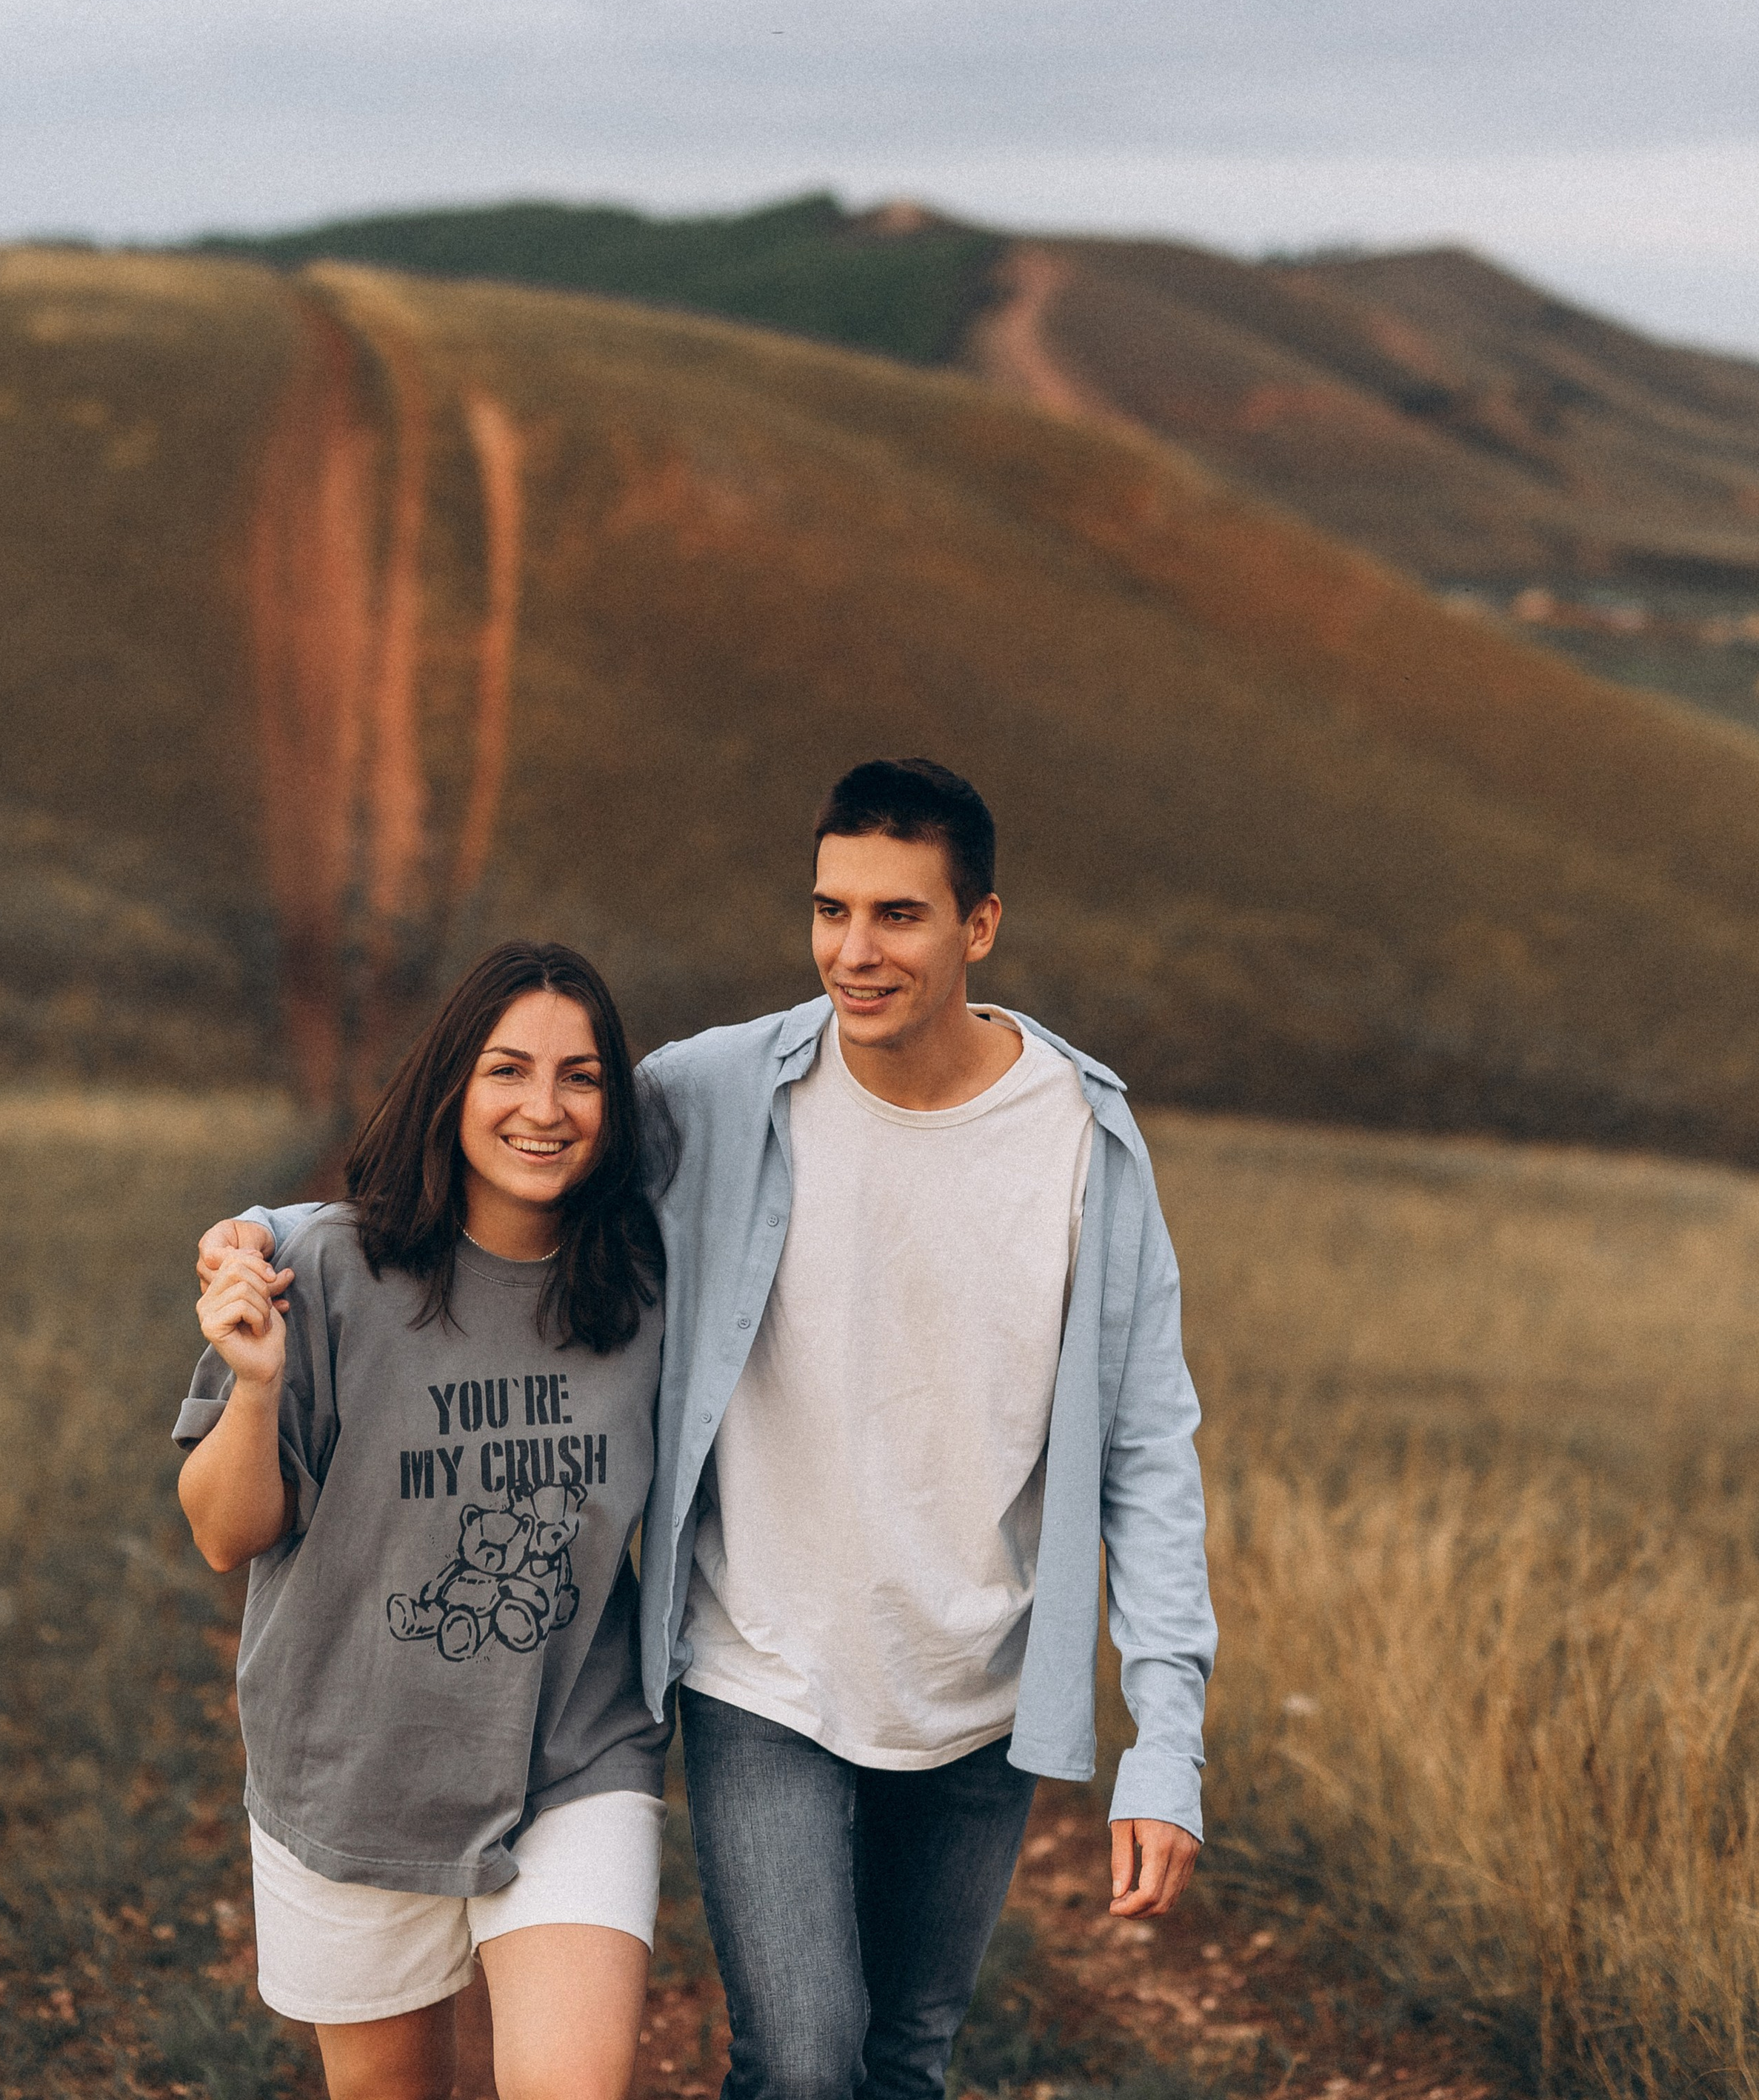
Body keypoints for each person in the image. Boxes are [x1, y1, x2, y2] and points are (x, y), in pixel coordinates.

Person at [204, 758, 1215, 2100]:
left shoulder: (1084, 1139)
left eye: (898, 916)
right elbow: (516, 1143)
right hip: (764, 1668)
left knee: (904, 2058)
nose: (855, 953)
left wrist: (1168, 1736)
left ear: (979, 926)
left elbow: (1147, 1444)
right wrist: (268, 1235)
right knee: (801, 2060)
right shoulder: (729, 1091)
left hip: (977, 1679)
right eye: (830, 909)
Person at [176, 941, 671, 2100]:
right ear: (453, 1085)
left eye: (582, 1077)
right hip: (351, 1771)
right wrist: (253, 1383)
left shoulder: (646, 1286)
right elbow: (221, 1532)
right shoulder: (328, 1268)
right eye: (508, 1070)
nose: (543, 1109)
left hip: (571, 1753)